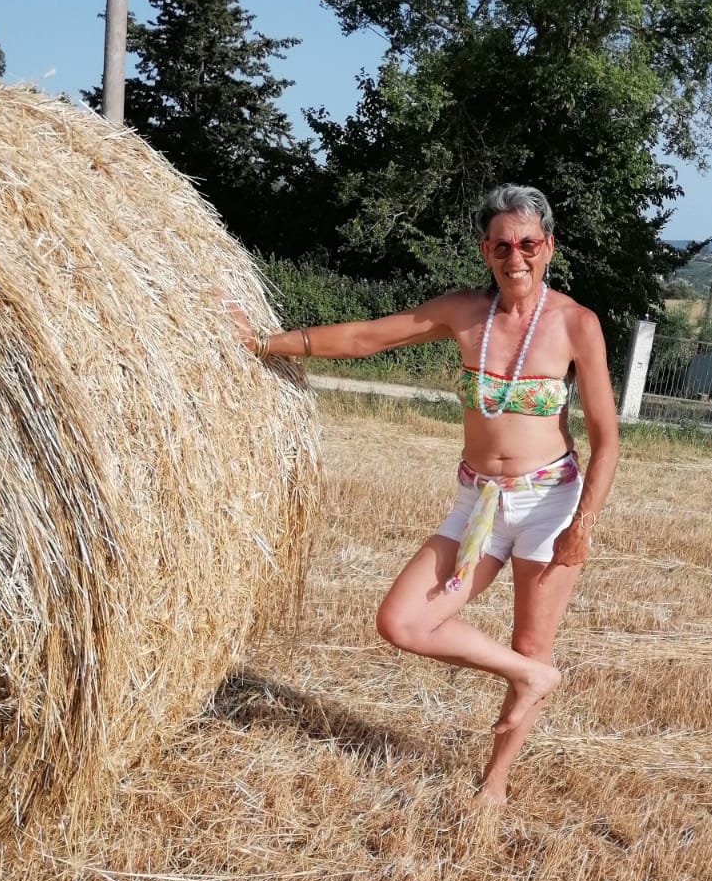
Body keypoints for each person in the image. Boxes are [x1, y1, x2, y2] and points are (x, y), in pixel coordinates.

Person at [224, 184, 619, 806]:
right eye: (501, 245)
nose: (515, 257)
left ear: (548, 247)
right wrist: (264, 343)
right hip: (478, 503)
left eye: (528, 244)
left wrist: (583, 524)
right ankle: (532, 678)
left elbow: (606, 439)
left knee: (530, 639)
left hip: (548, 505)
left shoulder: (576, 325)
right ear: (485, 250)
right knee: (402, 621)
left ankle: (495, 781)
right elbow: (365, 339)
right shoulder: (465, 312)